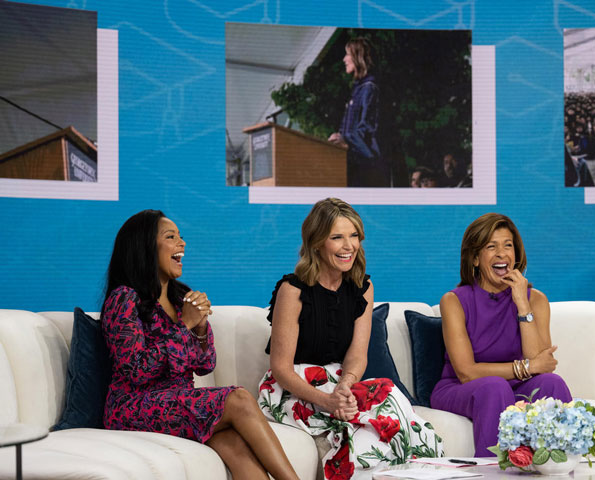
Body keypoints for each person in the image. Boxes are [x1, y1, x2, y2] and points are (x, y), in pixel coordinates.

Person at [102, 210, 299, 480]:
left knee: (235, 445)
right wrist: (183, 325)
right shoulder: (124, 299)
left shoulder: (181, 297)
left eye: (181, 237)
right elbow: (136, 370)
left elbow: (206, 365)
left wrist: (201, 328)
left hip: (177, 403)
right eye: (171, 237)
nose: (182, 244)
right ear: (145, 247)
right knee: (239, 398)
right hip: (133, 408)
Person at [259, 198, 443, 479]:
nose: (349, 246)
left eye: (354, 235)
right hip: (293, 387)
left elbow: (357, 355)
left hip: (341, 381)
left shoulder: (362, 288)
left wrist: (345, 385)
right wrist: (327, 401)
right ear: (317, 243)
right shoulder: (293, 290)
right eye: (337, 237)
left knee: (392, 399)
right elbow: (281, 368)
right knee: (359, 428)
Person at [430, 213, 572, 457]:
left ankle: (558, 468)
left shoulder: (535, 299)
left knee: (552, 383)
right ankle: (492, 473)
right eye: (490, 247)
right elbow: (466, 372)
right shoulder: (454, 301)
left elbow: (542, 364)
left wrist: (521, 304)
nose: (501, 253)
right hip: (461, 389)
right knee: (495, 388)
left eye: (508, 245)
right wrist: (526, 367)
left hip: (513, 386)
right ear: (474, 258)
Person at [328, 38, 391, 187]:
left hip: (368, 169)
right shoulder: (358, 90)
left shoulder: (370, 88)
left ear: (358, 56)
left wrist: (346, 141)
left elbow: (369, 129)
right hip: (354, 166)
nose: (344, 59)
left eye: (347, 54)